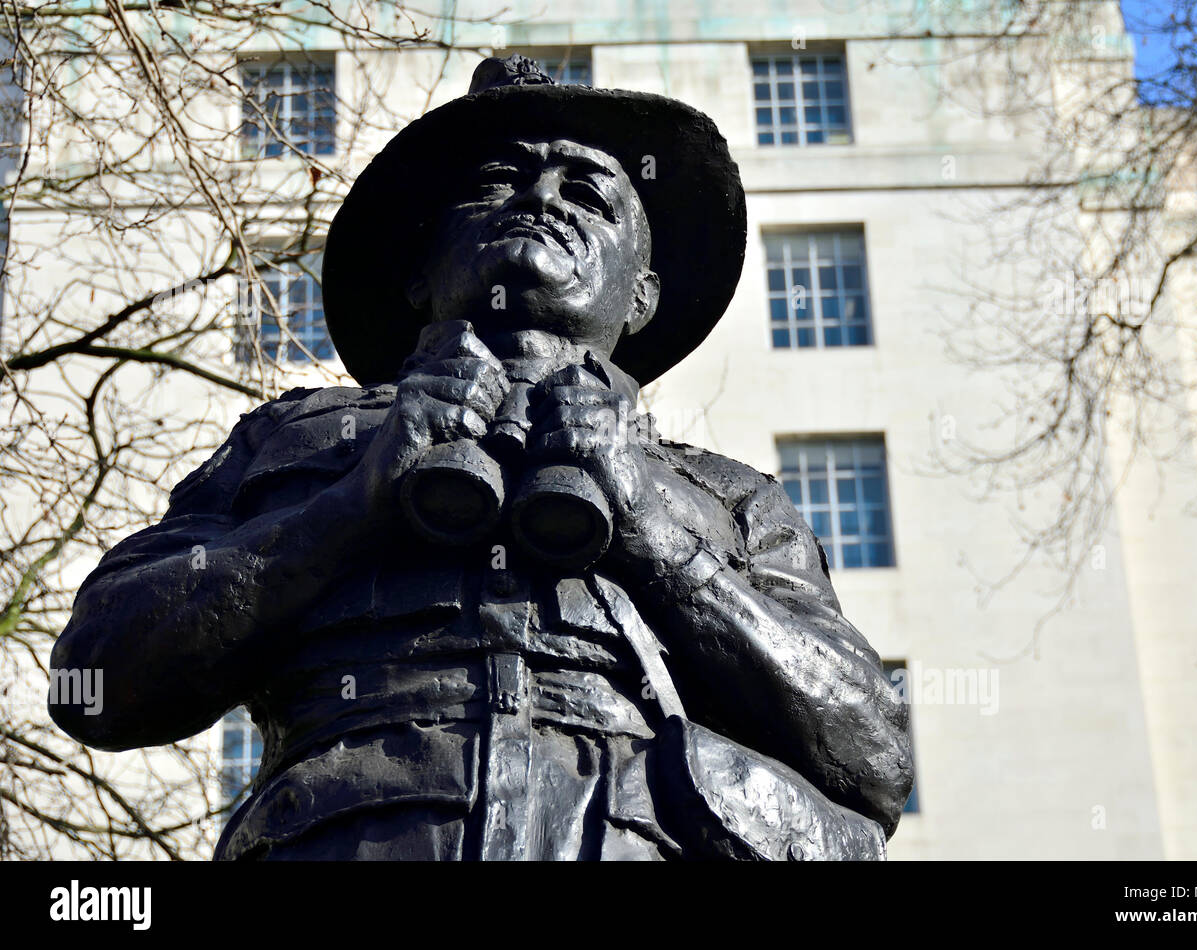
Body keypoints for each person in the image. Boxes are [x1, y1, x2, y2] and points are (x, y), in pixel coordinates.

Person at [49, 55, 912, 860]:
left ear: (642, 295)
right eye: (498, 180)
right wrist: (351, 506)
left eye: (589, 193)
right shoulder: (294, 438)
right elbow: (93, 677)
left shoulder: (729, 498)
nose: (540, 198)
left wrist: (648, 525)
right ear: (421, 275)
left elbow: (870, 757)